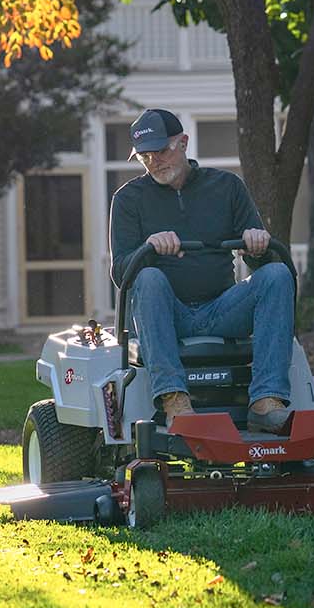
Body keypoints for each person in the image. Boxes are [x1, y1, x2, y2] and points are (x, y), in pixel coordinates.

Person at [109, 108, 296, 434]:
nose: (155, 162)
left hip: (222, 308)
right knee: (149, 277)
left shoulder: (227, 187)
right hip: (167, 315)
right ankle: (175, 402)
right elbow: (121, 272)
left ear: (183, 142)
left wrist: (258, 245)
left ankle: (266, 402)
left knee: (278, 275)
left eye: (162, 150)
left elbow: (260, 264)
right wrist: (148, 249)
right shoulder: (128, 199)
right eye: (145, 156)